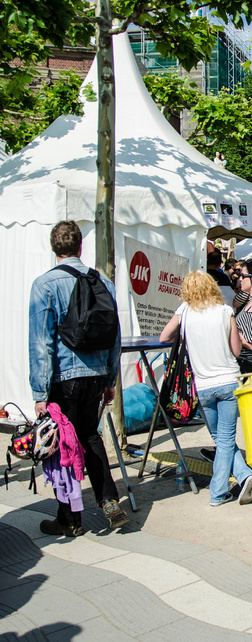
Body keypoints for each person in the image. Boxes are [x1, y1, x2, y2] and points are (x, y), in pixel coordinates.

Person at [29, 220, 128, 536]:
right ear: (79, 246)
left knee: (61, 444)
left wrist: (39, 392)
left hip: (64, 378)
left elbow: (40, 342)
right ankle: (109, 499)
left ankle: (69, 519)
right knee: (89, 435)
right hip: (97, 375)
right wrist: (111, 379)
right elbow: (115, 336)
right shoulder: (104, 283)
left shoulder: (44, 285)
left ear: (54, 247)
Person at [160, 271, 252, 507]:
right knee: (224, 439)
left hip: (201, 385)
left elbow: (164, 336)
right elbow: (236, 350)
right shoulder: (226, 311)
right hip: (228, 381)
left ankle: (221, 490)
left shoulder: (184, 311)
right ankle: (239, 479)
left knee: (220, 438)